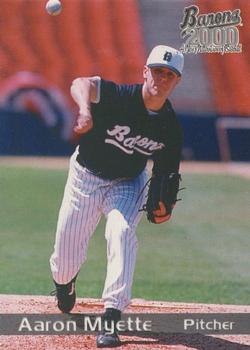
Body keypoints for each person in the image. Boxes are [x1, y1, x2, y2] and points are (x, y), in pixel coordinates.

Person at [50, 45, 184, 348]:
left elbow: (166, 174)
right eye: (157, 71)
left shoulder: (170, 128)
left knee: (121, 231)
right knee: (65, 259)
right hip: (85, 176)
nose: (161, 78)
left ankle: (111, 316)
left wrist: (166, 205)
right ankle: (63, 283)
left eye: (170, 74)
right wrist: (85, 110)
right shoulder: (120, 95)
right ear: (144, 72)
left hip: (127, 182)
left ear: (177, 82)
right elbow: (79, 83)